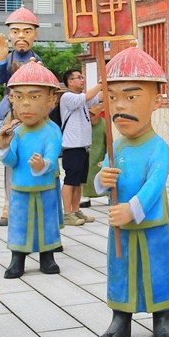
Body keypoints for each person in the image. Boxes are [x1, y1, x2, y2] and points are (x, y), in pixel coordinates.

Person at [95, 43, 169, 337]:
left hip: (151, 221)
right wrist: (102, 179)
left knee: (157, 267)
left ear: (156, 100)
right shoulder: (116, 146)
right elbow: (101, 178)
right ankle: (121, 317)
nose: (120, 107)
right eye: (113, 97)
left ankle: (162, 317)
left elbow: (153, 185)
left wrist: (132, 209)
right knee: (121, 268)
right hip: (120, 223)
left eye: (131, 97)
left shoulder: (158, 146)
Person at [0, 60, 64, 278]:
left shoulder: (52, 130)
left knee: (46, 223)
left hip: (44, 186)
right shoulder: (17, 130)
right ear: (11, 100)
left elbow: (52, 157)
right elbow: (12, 161)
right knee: (18, 223)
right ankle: (17, 259)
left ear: (50, 100)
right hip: (20, 187)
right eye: (19, 97)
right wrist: (4, 145)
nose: (25, 104)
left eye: (34, 97)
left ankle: (47, 257)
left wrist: (43, 164)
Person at [0, 6, 42, 226]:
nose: (21, 36)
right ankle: (7, 203)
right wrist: (0, 60)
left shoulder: (37, 57)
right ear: (10, 34)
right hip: (11, 99)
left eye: (27, 31)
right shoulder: (9, 55)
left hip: (32, 101)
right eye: (16, 31)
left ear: (35, 34)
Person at [59, 68, 103, 226]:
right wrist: (100, 82)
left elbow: (98, 98)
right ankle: (67, 213)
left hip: (83, 147)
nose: (82, 80)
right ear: (70, 82)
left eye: (83, 77)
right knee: (70, 181)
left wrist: (107, 84)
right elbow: (90, 96)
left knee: (79, 182)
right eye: (79, 78)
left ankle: (76, 210)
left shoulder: (81, 99)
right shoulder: (67, 97)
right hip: (72, 147)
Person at [85, 100, 107, 206]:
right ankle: (85, 197)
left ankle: (107, 194)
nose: (91, 117)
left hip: (99, 157)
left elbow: (108, 143)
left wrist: (106, 158)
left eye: (93, 115)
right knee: (86, 178)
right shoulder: (84, 125)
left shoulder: (104, 125)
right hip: (86, 156)